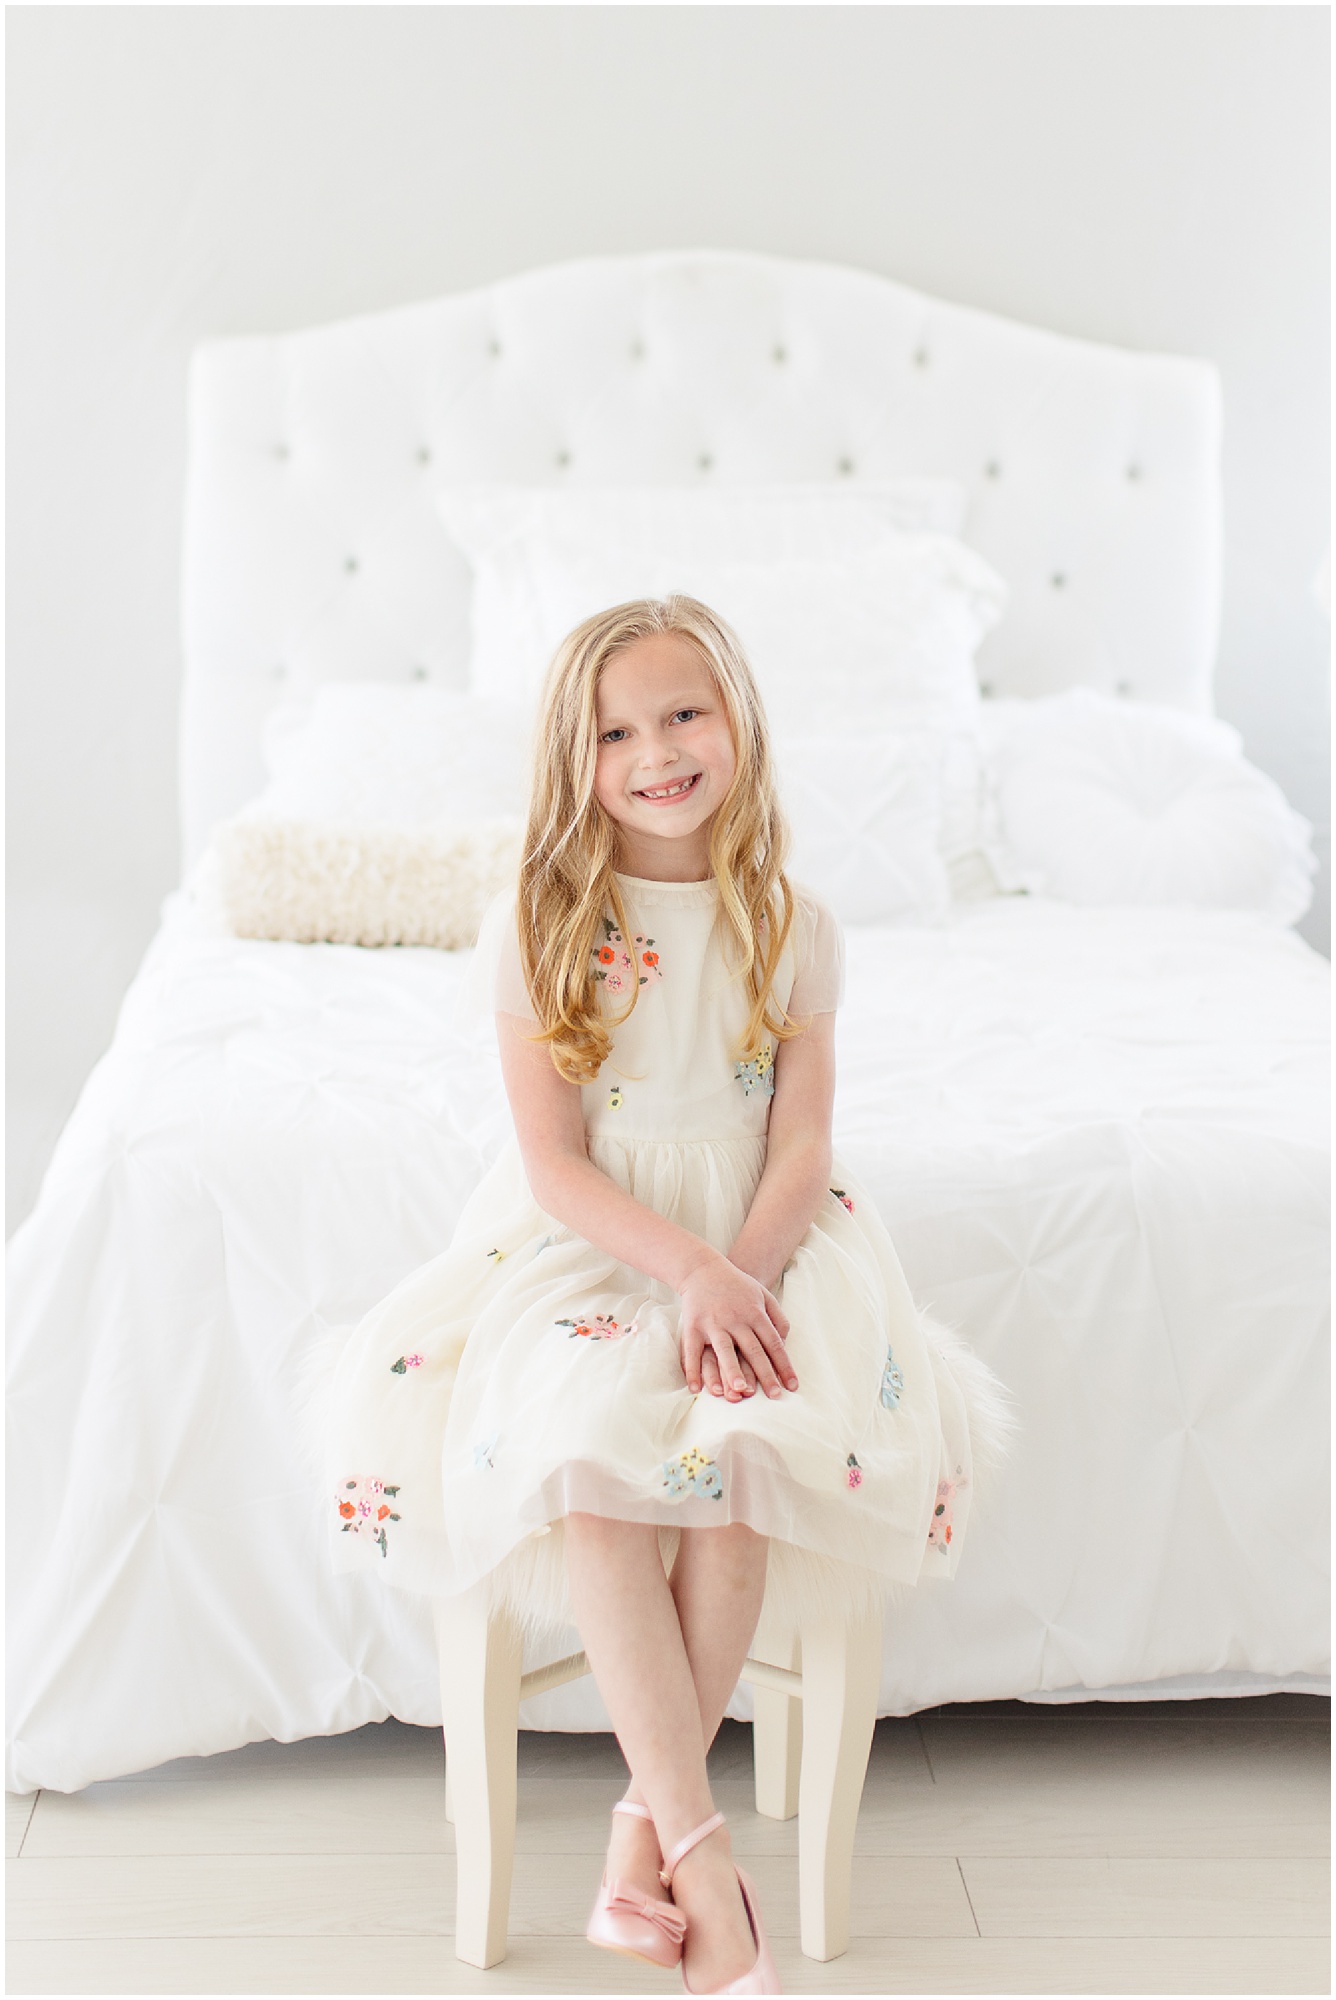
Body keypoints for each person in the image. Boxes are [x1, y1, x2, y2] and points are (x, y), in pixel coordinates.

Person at [324, 595, 1015, 1995]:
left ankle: (643, 1832)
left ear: (739, 724)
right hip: (600, 1242)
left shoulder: (794, 925)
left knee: (740, 1453)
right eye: (617, 730)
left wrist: (737, 1277)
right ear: (574, 760)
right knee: (591, 1454)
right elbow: (554, 1161)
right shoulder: (537, 921)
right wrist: (682, 1269)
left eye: (683, 713)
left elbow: (804, 1144)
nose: (657, 751)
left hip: (767, 1238)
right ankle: (700, 1856)